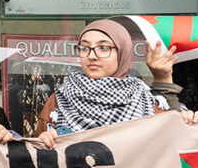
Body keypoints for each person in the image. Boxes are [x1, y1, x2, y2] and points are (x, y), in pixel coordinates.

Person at [34, 19, 185, 148]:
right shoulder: (59, 100)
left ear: (122, 52)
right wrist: (42, 142)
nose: (92, 56)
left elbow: (174, 147)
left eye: (104, 48)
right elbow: (37, 159)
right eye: (84, 48)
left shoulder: (146, 101)